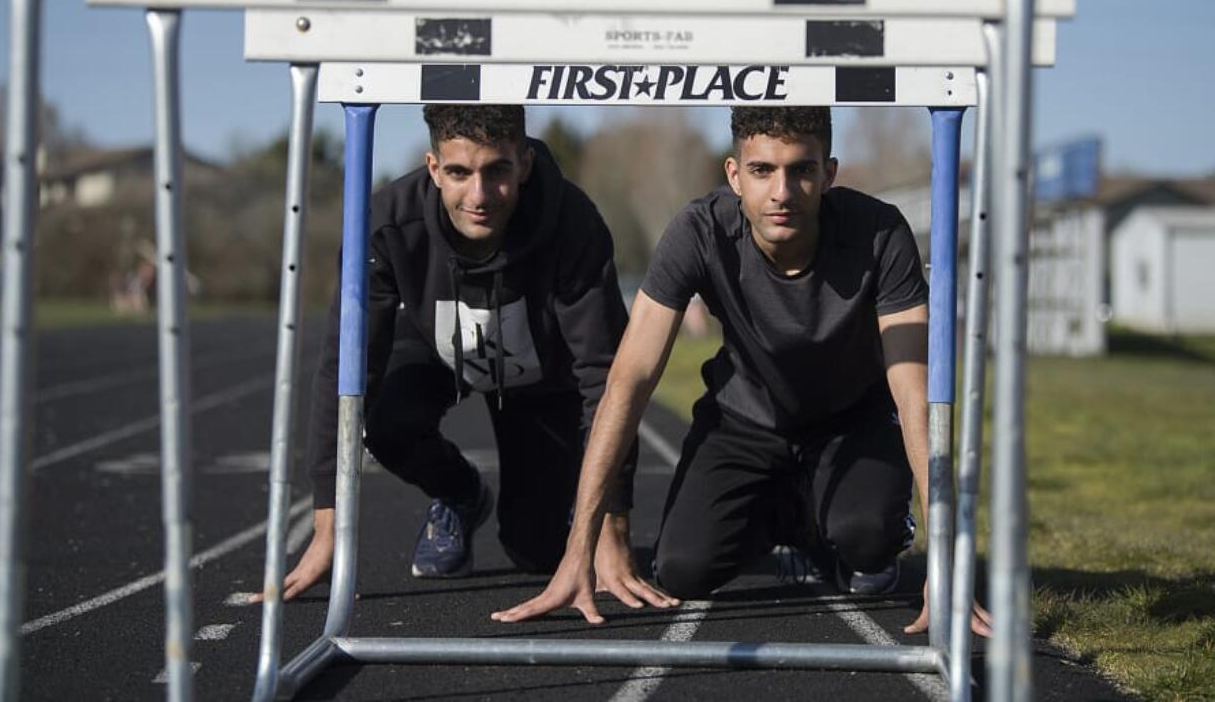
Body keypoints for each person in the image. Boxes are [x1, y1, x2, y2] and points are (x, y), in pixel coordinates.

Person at [494, 106, 991, 636]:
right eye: (762, 171)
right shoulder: (697, 231)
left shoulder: (879, 233)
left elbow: (916, 392)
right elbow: (629, 380)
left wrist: (945, 561)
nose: (782, 191)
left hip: (851, 423)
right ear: (734, 174)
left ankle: (844, 524)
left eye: (801, 170)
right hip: (744, 420)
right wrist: (582, 545)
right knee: (683, 570)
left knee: (867, 539)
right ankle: (786, 512)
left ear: (829, 173)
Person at [256, 105, 674, 612]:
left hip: (541, 376)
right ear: (434, 168)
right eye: (458, 173)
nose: (478, 196)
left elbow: (606, 378)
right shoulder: (386, 221)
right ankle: (460, 493)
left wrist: (610, 529)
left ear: (523, 163)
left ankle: (554, 515)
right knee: (385, 422)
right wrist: (328, 528)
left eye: (497, 170)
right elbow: (344, 368)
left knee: (539, 551)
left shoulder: (572, 222)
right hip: (436, 343)